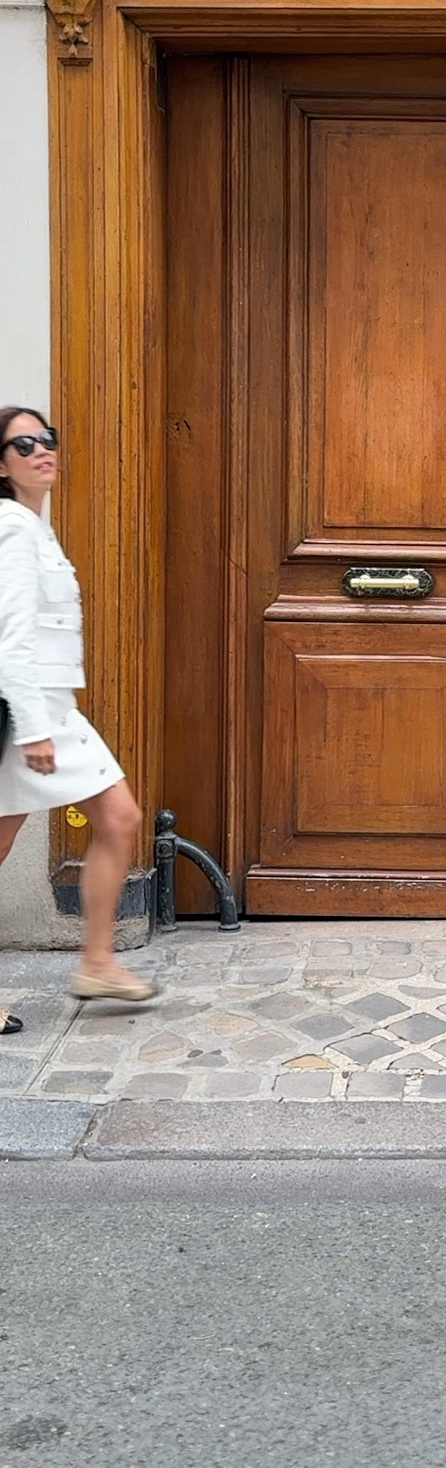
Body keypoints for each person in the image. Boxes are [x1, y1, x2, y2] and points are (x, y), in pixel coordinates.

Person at [0, 405, 155, 1032]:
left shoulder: (37, 527)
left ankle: (97, 961)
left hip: (55, 706)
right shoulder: (11, 527)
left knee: (118, 817)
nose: (43, 450)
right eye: (24, 444)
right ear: (2, 465)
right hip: (27, 711)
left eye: (48, 439)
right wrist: (33, 726)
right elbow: (10, 638)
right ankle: (96, 959)